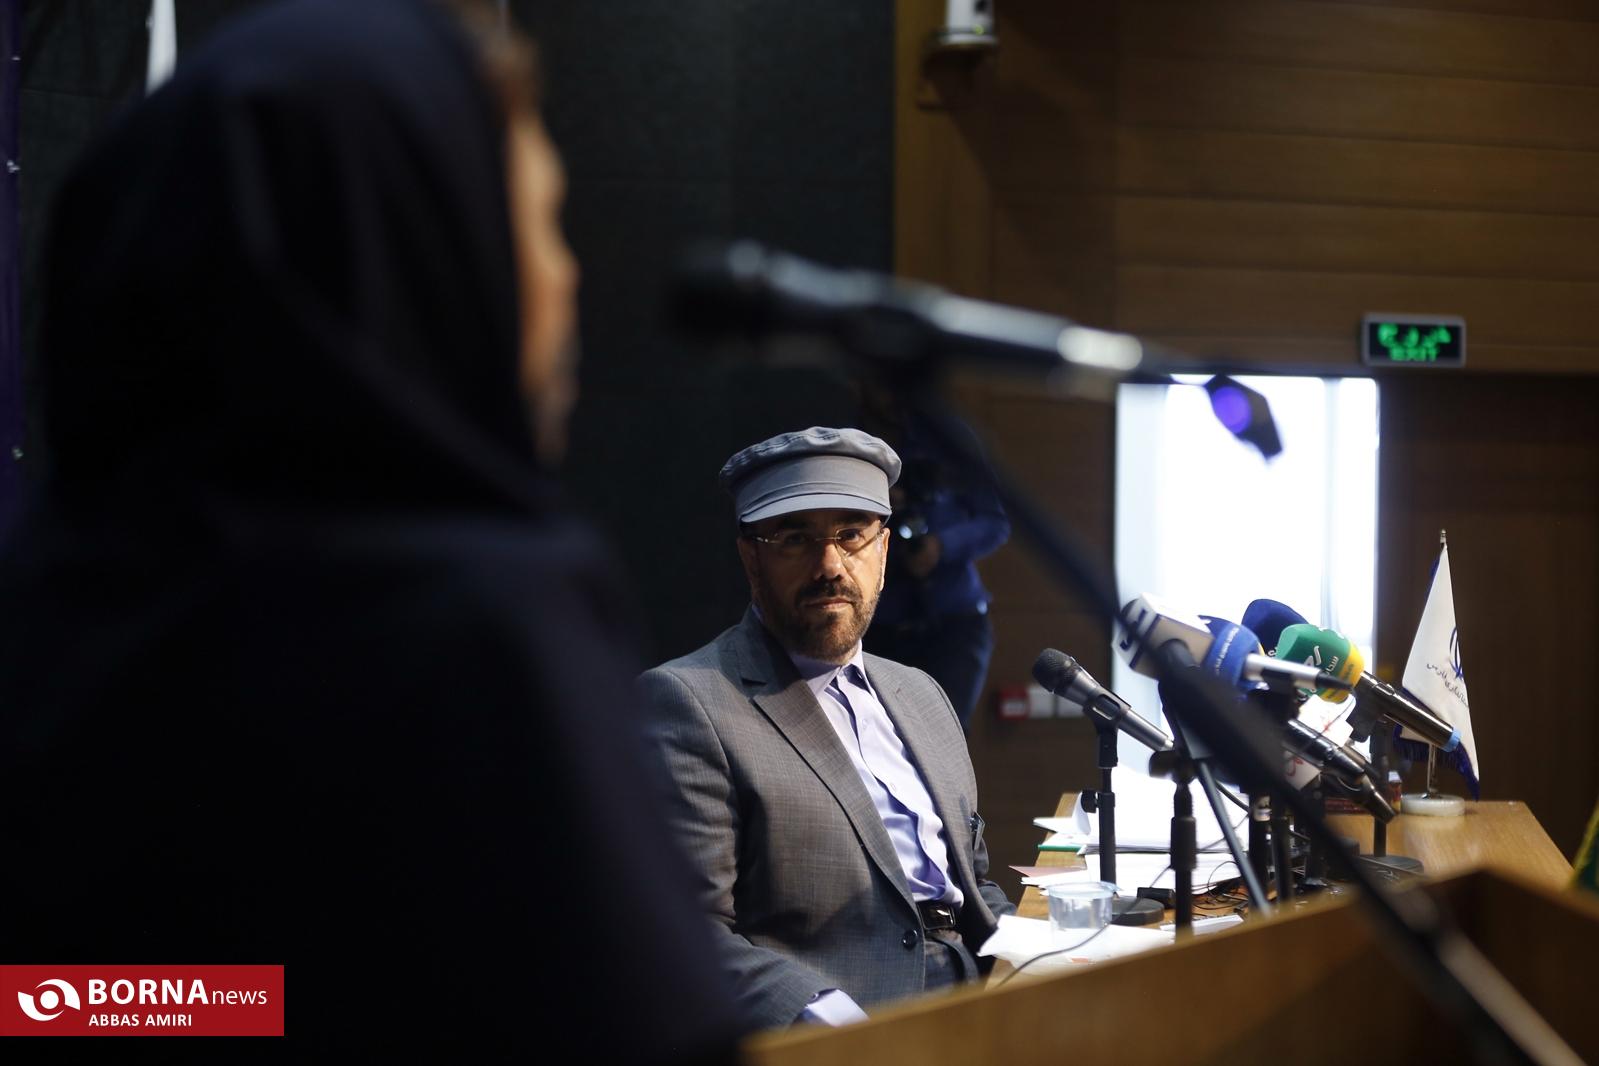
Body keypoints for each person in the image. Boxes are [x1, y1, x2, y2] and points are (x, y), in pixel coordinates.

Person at [0, 1, 740, 1059]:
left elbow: (79, 1001)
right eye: (536, 223)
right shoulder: (479, 625)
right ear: (409, 255)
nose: (566, 275)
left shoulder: (50, 620)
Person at [637, 427, 1015, 1031]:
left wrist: (1039, 957)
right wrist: (839, 1029)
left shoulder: (922, 694)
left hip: (982, 997)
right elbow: (687, 933)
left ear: (883, 552)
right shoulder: (689, 701)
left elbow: (973, 884)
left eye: (851, 535)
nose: (830, 566)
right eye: (795, 539)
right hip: (846, 1023)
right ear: (751, 557)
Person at [864, 407, 1009, 732]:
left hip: (955, 625)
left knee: (945, 740)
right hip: (879, 627)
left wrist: (941, 546)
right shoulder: (848, 431)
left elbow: (995, 522)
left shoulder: (949, 436)